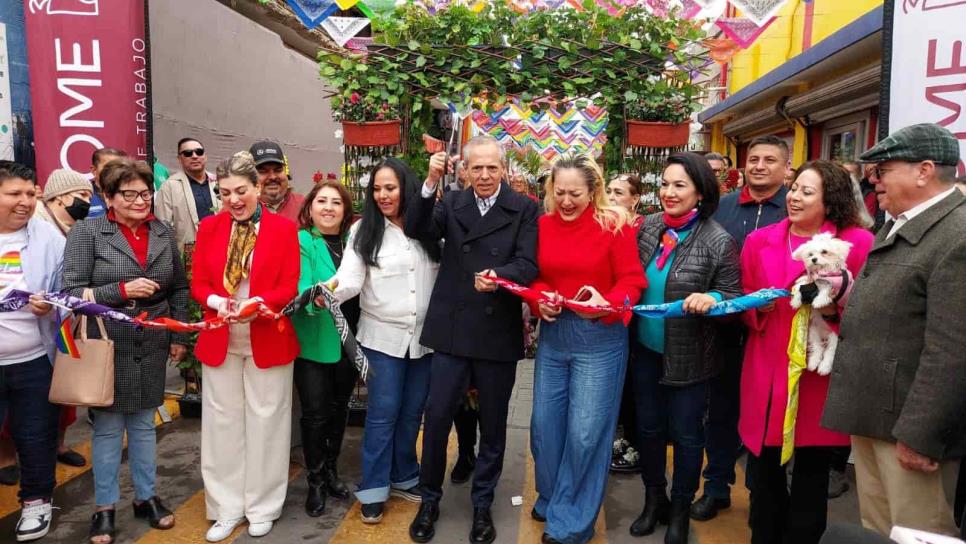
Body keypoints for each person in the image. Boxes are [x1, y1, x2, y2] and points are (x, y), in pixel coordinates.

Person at [822, 123, 966, 537]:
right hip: (876, 418)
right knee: (880, 530)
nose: (873, 179)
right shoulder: (899, 224)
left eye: (883, 169)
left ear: (923, 171)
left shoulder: (956, 237)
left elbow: (953, 351)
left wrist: (922, 435)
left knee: (916, 531)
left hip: (910, 433)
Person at [406, 135, 539, 544]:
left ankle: (483, 504)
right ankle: (429, 499)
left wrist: (500, 278)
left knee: (494, 424)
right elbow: (416, 227)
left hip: (495, 327)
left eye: (491, 168)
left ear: (504, 170)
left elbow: (528, 263)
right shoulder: (452, 202)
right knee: (438, 416)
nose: (483, 175)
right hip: (452, 327)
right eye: (475, 168)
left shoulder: (524, 209)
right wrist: (429, 182)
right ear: (463, 170)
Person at [739, 160, 873, 544]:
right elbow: (745, 298)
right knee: (764, 473)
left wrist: (832, 310)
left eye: (806, 191)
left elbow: (867, 311)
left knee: (811, 476)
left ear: (830, 202)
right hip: (766, 368)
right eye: (794, 187)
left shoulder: (856, 243)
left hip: (819, 373)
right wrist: (756, 309)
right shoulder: (759, 240)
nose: (794, 196)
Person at [62, 158, 190, 544]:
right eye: (128, 193)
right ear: (108, 196)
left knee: (143, 427)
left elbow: (179, 288)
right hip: (107, 341)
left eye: (145, 193)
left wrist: (179, 334)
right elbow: (69, 292)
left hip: (152, 340)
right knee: (107, 428)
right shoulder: (88, 232)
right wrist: (119, 291)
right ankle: (104, 507)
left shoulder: (163, 232)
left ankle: (146, 498)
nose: (139, 200)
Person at [529, 153, 646, 544]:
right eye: (558, 192)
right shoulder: (542, 224)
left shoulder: (614, 225)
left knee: (585, 434)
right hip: (555, 336)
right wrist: (540, 300)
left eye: (574, 193)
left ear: (592, 191)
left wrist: (608, 302)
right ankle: (553, 494)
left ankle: (570, 519)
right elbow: (540, 277)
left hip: (601, 340)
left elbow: (632, 282)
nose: (565, 201)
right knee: (544, 429)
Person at [628, 152, 741, 544]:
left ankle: (679, 509)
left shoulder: (718, 241)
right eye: (664, 184)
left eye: (679, 185)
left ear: (700, 192)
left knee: (688, 436)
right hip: (644, 350)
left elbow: (732, 299)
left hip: (691, 357)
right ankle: (653, 499)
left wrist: (712, 297)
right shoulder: (649, 227)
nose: (669, 193)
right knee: (648, 430)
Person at [189, 151, 300, 542]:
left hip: (267, 334)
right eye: (225, 193)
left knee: (268, 421)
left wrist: (259, 304)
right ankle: (225, 506)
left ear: (256, 188)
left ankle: (262, 505)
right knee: (221, 424)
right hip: (221, 334)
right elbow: (200, 283)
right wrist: (217, 302)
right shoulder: (210, 228)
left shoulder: (284, 230)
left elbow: (289, 285)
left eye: (241, 190)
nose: (234, 199)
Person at [330, 157, 440, 523]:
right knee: (382, 416)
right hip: (381, 340)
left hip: (424, 341)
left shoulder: (429, 227)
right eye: (376, 189)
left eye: (389, 188)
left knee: (412, 414)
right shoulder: (363, 232)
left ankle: (405, 475)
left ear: (406, 187)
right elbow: (349, 280)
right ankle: (374, 487)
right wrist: (328, 293)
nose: (382, 196)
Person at [693, 134, 790, 522]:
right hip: (726, 331)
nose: (760, 166)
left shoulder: (795, 210)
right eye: (754, 159)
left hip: (774, 332)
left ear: (786, 168)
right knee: (721, 411)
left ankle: (762, 493)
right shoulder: (722, 209)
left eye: (770, 160)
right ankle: (715, 486)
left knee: (769, 416)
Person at [0, 161, 64, 542]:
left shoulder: (49, 238)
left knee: (35, 434)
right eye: (14, 194)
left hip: (34, 359)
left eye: (30, 193)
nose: (25, 202)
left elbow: (67, 288)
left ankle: (37, 502)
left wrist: (53, 304)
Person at [291, 180, 360, 517]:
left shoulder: (354, 243)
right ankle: (315, 481)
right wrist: (317, 296)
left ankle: (331, 470)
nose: (329, 207)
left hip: (350, 341)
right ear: (310, 208)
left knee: (339, 408)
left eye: (336, 202)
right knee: (316, 415)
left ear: (345, 211)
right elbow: (303, 285)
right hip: (315, 341)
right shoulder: (304, 241)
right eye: (322, 201)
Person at [31, 169, 94, 468]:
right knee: (28, 394)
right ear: (58, 196)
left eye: (89, 197)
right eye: (81, 196)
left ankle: (58, 445)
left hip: (65, 323)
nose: (86, 203)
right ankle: (7, 456)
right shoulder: (35, 227)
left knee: (65, 389)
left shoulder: (77, 230)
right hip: (30, 323)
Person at [604, 171, 645, 474]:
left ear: (636, 199)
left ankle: (634, 443)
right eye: (609, 191)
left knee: (634, 384)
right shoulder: (603, 224)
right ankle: (621, 437)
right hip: (606, 315)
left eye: (619, 192)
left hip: (637, 315)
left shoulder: (644, 228)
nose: (612, 197)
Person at [154, 137, 221, 253]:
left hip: (220, 249)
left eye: (199, 152)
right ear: (179, 159)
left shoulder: (219, 182)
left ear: (205, 156)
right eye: (188, 153)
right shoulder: (169, 186)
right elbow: (162, 230)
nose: (194, 156)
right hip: (188, 253)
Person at [249, 140, 305, 223]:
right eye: (263, 171)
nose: (273, 177)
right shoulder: (238, 208)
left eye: (278, 170)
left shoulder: (305, 206)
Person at [88, 148, 129, 219]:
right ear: (94, 170)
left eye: (121, 167)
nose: (116, 171)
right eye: (109, 167)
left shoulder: (134, 194)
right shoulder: (83, 195)